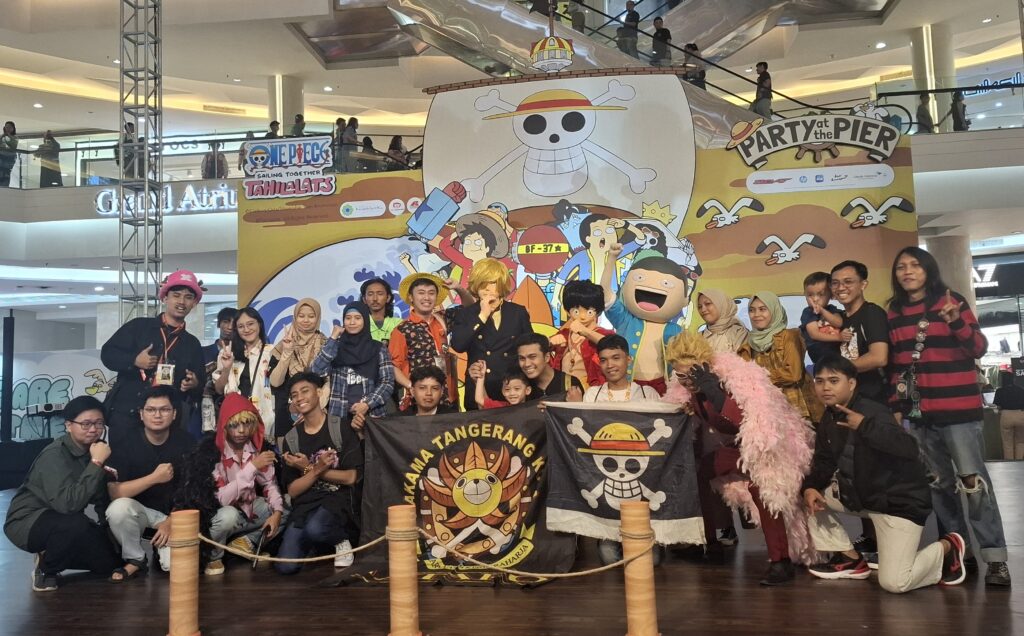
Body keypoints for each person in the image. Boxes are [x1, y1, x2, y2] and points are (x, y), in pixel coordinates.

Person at [887, 246, 1010, 586]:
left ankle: (995, 558)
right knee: (939, 488)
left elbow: (979, 348)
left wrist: (955, 320)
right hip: (920, 417)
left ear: (928, 268)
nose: (907, 271)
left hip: (959, 413)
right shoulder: (894, 311)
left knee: (974, 485)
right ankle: (959, 553)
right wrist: (896, 407)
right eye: (901, 267)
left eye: (914, 265)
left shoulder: (950, 300)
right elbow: (897, 366)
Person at [803, 356, 967, 591]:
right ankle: (849, 558)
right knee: (808, 497)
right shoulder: (830, 415)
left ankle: (948, 547)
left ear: (851, 383)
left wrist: (865, 426)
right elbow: (824, 461)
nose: (825, 387)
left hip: (897, 504)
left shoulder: (872, 411)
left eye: (833, 380)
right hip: (865, 498)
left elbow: (908, 448)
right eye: (819, 381)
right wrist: (809, 487)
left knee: (895, 583)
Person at [664, 332, 814, 585]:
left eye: (691, 374)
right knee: (697, 473)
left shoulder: (736, 378)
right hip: (738, 449)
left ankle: (781, 562)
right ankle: (709, 544)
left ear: (705, 366)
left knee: (763, 487)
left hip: (772, 447)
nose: (687, 381)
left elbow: (751, 421)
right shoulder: (689, 388)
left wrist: (715, 392)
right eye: (681, 376)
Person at [4, 396, 125, 591]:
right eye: (86, 424)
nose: (93, 429)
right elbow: (68, 505)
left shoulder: (95, 451)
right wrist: (96, 463)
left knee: (110, 562)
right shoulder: (54, 455)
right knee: (75, 522)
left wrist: (110, 537)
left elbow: (101, 499)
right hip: (27, 521)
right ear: (69, 425)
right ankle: (46, 570)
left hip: (65, 520)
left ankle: (52, 552)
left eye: (99, 423)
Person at [101, 270, 205, 446]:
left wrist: (194, 384)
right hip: (128, 414)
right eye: (176, 295)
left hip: (168, 420)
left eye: (188, 297)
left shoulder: (192, 343)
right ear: (164, 298)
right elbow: (108, 354)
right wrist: (134, 360)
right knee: (123, 461)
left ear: (194, 303)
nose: (181, 302)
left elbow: (200, 383)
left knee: (167, 462)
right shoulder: (138, 327)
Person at [105, 386, 195, 578]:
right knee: (118, 509)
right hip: (143, 518)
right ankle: (135, 558)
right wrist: (154, 478)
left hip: (176, 517)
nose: (157, 415)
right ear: (141, 414)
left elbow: (194, 490)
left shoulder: (187, 443)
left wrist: (171, 521)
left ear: (174, 414)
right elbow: (115, 493)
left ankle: (161, 545)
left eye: (164, 409)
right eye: (151, 410)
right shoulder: (125, 443)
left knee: (174, 567)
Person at [276, 373, 362, 574]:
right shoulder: (291, 438)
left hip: (337, 500)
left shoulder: (340, 427)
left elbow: (351, 477)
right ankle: (317, 543)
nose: (299, 398)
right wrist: (314, 470)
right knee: (285, 566)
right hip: (305, 505)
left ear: (319, 392)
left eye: (305, 391)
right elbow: (293, 490)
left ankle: (341, 540)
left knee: (316, 528)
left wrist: (309, 469)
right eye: (294, 395)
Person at [202, 393, 286, 576]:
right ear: (224, 426)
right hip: (221, 514)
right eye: (234, 425)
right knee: (229, 515)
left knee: (284, 507)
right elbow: (221, 499)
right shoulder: (213, 454)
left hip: (248, 509)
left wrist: (277, 513)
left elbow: (270, 485)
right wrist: (252, 467)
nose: (241, 431)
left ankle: (245, 542)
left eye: (247, 424)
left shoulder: (255, 449)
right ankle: (214, 556)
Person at [601, 247, 690, 395]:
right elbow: (606, 296)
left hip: (663, 388)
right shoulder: (625, 320)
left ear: (685, 300)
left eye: (666, 284)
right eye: (640, 278)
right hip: (628, 386)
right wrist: (611, 259)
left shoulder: (676, 331)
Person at [449, 257, 533, 410]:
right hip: (478, 388)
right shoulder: (466, 314)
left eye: (492, 283)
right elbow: (458, 345)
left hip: (511, 390)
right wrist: (482, 316)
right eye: (482, 284)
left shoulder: (517, 312)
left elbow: (529, 348)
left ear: (501, 284)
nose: (487, 289)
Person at [311, 301, 396, 435]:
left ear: (365, 320)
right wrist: (333, 338)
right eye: (348, 318)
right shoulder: (335, 347)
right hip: (339, 416)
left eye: (357, 318)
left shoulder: (378, 348)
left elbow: (388, 382)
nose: (352, 322)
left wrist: (367, 404)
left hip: (372, 416)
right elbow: (316, 370)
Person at [739, 291, 823, 421]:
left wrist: (759, 378)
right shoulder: (747, 346)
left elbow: (793, 374)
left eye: (762, 309)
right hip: (768, 411)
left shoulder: (789, 336)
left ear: (774, 310)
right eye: (752, 310)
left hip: (796, 408)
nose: (756, 315)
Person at [389, 273, 456, 409]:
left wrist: (458, 288)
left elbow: (470, 309)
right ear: (411, 297)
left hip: (449, 399)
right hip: (419, 403)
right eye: (421, 293)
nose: (426, 297)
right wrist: (411, 387)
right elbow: (393, 366)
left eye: (431, 293)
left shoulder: (443, 318)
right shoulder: (402, 329)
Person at [213, 307, 277, 440]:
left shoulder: (272, 352)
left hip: (264, 418)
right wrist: (227, 368)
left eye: (250, 324)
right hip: (235, 419)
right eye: (241, 326)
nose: (246, 330)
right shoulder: (227, 353)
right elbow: (219, 389)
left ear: (259, 324)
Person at [831, 261, 890, 403]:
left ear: (863, 285)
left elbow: (879, 357)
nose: (840, 287)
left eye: (848, 282)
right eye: (835, 283)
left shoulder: (872, 313)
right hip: (849, 399)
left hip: (874, 400)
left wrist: (837, 372)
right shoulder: (839, 319)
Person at [270, 298, 328, 436]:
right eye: (301, 316)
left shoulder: (326, 344)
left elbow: (329, 381)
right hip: (288, 411)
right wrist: (287, 352)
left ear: (318, 318)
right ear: (295, 317)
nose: (306, 320)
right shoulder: (283, 344)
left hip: (318, 412)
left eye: (311, 316)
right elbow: (275, 382)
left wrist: (314, 407)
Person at [549, 280, 614, 388]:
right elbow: (538, 348)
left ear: (598, 312)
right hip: (563, 389)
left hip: (592, 391)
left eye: (589, 312)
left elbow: (613, 346)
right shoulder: (564, 334)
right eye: (576, 311)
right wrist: (549, 342)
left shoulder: (603, 334)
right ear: (568, 311)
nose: (583, 316)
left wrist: (585, 331)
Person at [584, 335, 660, 402]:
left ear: (628, 360)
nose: (609, 365)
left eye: (616, 358)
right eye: (603, 360)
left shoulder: (647, 394)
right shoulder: (592, 395)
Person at [517, 332, 583, 400]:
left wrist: (577, 404)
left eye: (532, 357)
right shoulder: (518, 386)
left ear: (547, 357)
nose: (527, 364)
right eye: (522, 358)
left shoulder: (569, 383)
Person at [799, 272, 843, 364]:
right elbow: (814, 334)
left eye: (821, 294)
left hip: (836, 348)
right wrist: (838, 337)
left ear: (831, 295)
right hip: (819, 349)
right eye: (810, 295)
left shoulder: (832, 309)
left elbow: (839, 323)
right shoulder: (808, 312)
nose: (815, 299)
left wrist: (822, 311)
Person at [696, 289, 748, 354]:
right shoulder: (698, 338)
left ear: (721, 304)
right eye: (700, 306)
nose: (703, 309)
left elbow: (742, 359)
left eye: (708, 304)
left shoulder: (738, 332)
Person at [360, 277, 402, 343]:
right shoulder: (358, 325)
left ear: (388, 298)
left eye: (380, 294)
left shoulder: (399, 324)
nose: (375, 299)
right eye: (370, 294)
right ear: (364, 299)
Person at [994, 370, 1024, 459]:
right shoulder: (1021, 390)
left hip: (1006, 416)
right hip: (1021, 415)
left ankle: (1009, 462)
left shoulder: (999, 391)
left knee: (1007, 443)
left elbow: (998, 406)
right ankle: (1019, 462)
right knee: (1020, 442)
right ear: (1013, 379)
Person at [0, 120, 17, 187]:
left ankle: (5, 186)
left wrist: (8, 135)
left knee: (6, 172)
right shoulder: (2, 137)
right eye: (6, 127)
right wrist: (2, 137)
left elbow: (13, 146)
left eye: (9, 127)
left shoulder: (15, 137)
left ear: (13, 128)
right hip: (1, 156)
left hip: (9, 158)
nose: (8, 129)